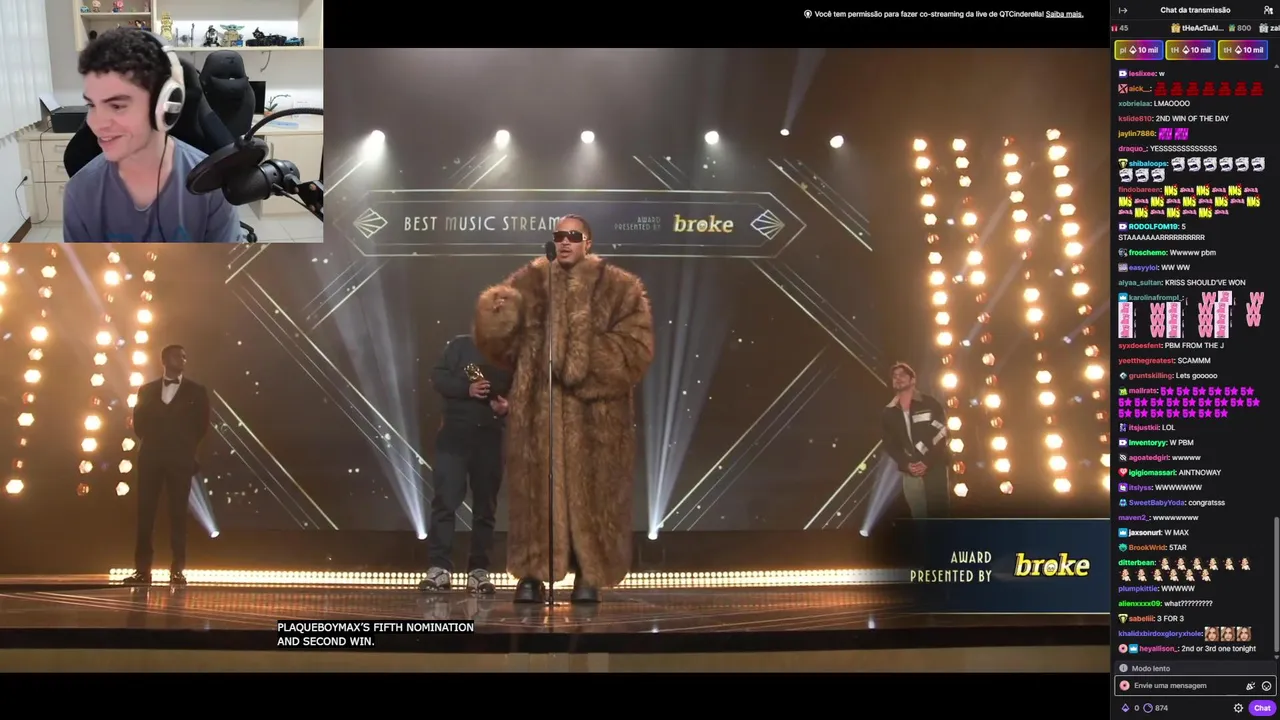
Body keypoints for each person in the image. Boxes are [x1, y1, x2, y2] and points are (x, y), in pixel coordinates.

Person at [474, 214, 654, 603]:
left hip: (596, 416)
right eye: (559, 235)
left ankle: (589, 572)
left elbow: (636, 350)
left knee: (594, 493)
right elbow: (502, 349)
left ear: (588, 242)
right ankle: (533, 572)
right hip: (539, 413)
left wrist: (580, 356)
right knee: (537, 492)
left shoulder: (620, 288)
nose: (565, 241)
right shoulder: (527, 284)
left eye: (573, 235)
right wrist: (498, 318)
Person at [63, 28, 239, 243]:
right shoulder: (79, 192)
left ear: (165, 106)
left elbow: (227, 262)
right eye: (91, 105)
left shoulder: (210, 185)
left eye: (117, 106)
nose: (95, 123)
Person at [420, 334, 513, 595]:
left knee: (485, 507)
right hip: (454, 437)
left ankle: (479, 570)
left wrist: (507, 407)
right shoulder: (460, 345)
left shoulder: (509, 352)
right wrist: (467, 388)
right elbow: (438, 377)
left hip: (490, 438)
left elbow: (521, 393)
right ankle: (439, 568)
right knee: (445, 501)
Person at [120, 345, 211, 587]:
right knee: (145, 514)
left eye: (184, 356)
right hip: (151, 457)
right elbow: (138, 423)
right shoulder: (147, 390)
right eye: (177, 355)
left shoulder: (196, 391)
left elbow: (202, 426)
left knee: (178, 514)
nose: (182, 359)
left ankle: (177, 570)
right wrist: (154, 443)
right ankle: (142, 571)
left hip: (180, 459)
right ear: (164, 359)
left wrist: (184, 448)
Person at [881, 362, 951, 518]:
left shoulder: (929, 403)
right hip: (910, 470)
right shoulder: (889, 412)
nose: (898, 378)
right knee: (918, 515)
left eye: (902, 375)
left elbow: (943, 434)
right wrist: (906, 464)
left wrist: (927, 462)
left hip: (934, 466)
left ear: (913, 380)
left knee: (939, 512)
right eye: (895, 376)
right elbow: (889, 444)